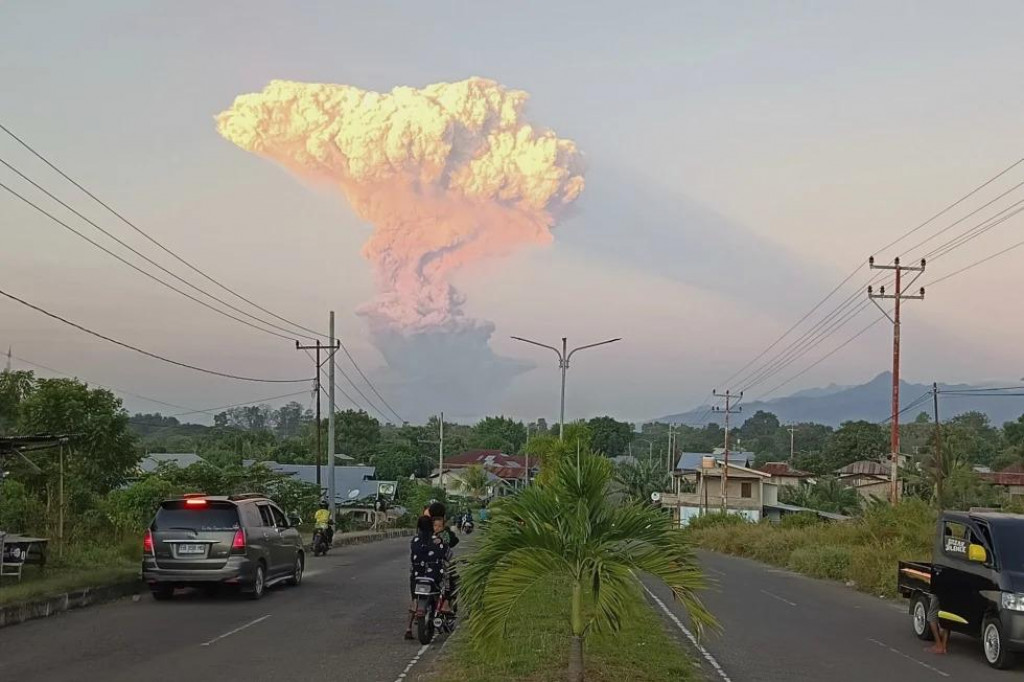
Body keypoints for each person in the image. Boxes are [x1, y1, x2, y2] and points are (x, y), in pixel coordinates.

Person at [405, 515, 447, 640]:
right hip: (433, 576)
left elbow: (414, 557)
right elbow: (445, 555)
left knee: (415, 601)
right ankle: (443, 611)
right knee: (441, 591)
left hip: (417, 577)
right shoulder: (437, 541)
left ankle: (408, 628)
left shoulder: (415, 541)